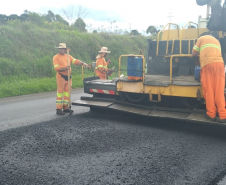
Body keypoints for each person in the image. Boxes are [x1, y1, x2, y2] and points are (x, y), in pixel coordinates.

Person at [192, 32, 226, 122]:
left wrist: (194, 56)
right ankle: (223, 115)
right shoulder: (217, 41)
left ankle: (211, 114)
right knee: (219, 90)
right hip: (220, 64)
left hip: (207, 65)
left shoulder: (201, 39)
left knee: (209, 90)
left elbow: (194, 52)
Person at [53, 43, 88, 115]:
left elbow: (75, 61)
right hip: (61, 77)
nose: (61, 50)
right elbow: (56, 68)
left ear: (65, 50)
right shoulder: (56, 57)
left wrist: (83, 63)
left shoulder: (68, 56)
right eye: (60, 48)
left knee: (67, 93)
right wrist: (65, 68)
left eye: (62, 48)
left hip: (68, 78)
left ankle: (65, 107)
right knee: (60, 93)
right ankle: (58, 109)